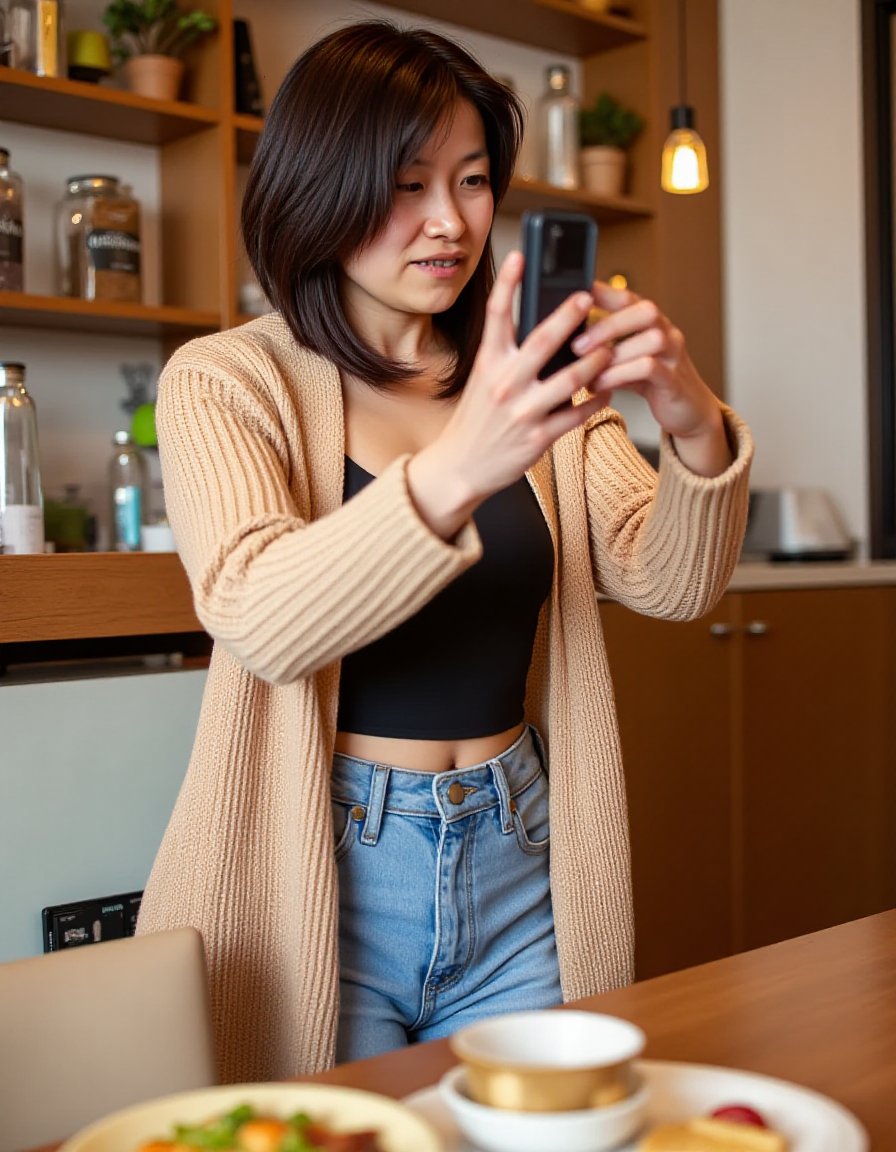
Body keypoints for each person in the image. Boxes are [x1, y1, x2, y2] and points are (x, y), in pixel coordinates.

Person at [137, 19, 753, 1084]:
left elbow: (671, 579)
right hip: (326, 874)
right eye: (408, 182)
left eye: (471, 182)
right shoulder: (228, 380)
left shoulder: (514, 373)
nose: (448, 221)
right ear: (318, 189)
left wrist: (688, 415)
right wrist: (464, 463)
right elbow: (257, 614)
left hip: (519, 856)